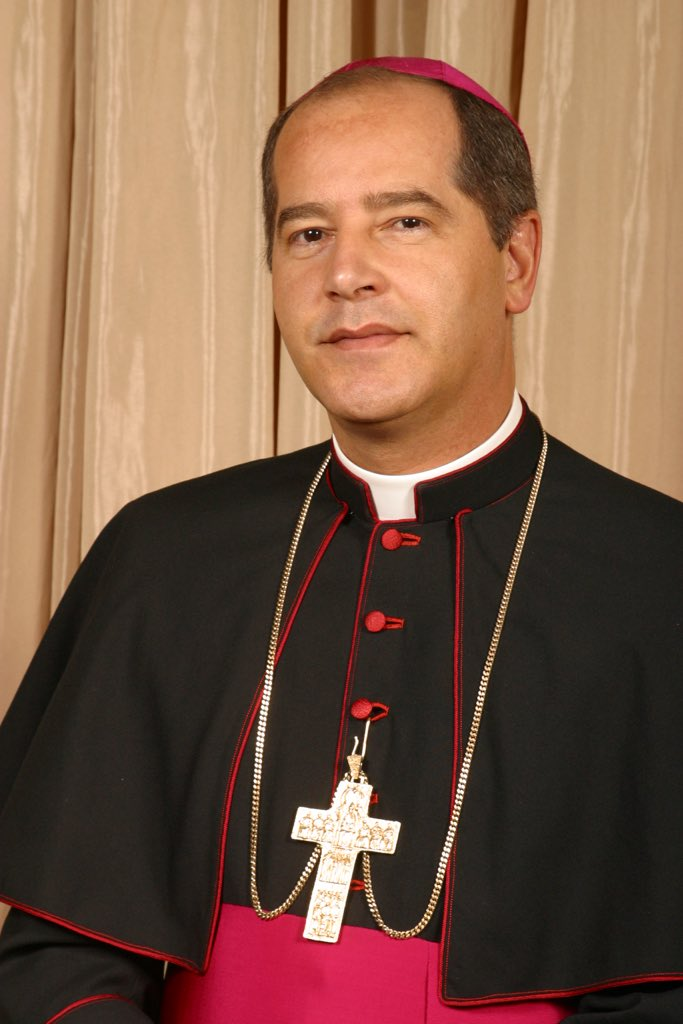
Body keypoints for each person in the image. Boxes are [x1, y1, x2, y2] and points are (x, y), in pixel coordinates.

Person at [1, 55, 682, 1023]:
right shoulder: (162, 556)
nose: (345, 275)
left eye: (403, 222)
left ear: (515, 260)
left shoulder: (656, 578)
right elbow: (56, 962)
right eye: (307, 233)